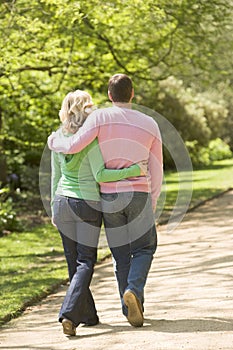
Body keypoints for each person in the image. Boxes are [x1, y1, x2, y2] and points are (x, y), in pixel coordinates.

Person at [48, 74, 163, 328]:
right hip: (139, 193)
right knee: (144, 247)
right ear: (132, 94)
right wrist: (152, 200)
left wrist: (54, 141)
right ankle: (133, 291)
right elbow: (157, 167)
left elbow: (76, 144)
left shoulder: (99, 118)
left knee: (120, 254)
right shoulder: (150, 123)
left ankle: (129, 306)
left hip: (108, 196)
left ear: (109, 96)